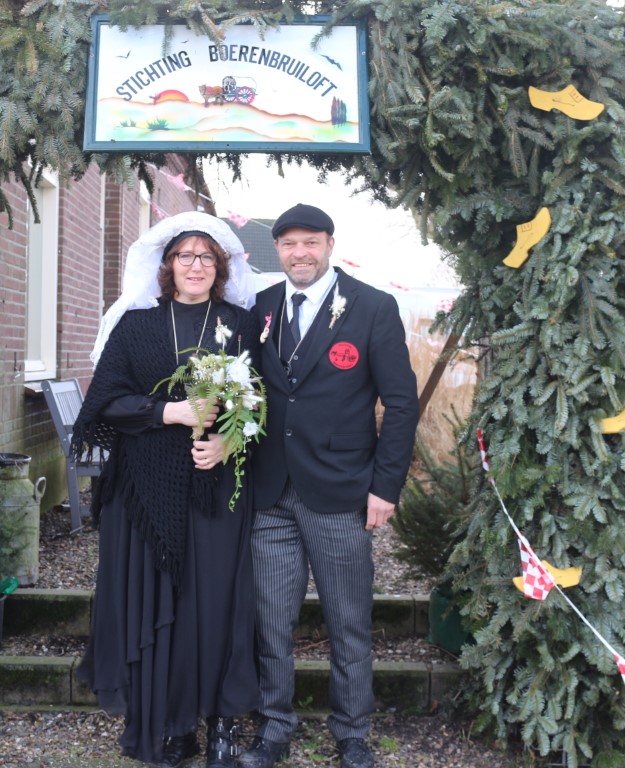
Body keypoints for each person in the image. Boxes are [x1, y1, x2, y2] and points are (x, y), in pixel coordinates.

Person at [71, 211, 261, 767]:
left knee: (217, 602)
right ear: (168, 264)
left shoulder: (241, 324)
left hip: (214, 487)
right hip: (144, 491)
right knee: (162, 607)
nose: (195, 266)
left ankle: (221, 722)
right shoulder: (137, 325)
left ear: (220, 267)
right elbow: (103, 403)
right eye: (185, 256)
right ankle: (172, 724)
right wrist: (167, 412)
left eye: (206, 257)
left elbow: (265, 401)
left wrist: (230, 441)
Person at [240, 204, 420, 768]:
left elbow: (401, 403)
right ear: (278, 250)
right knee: (271, 622)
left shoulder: (372, 307)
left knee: (348, 623)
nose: (300, 253)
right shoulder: (262, 307)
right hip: (271, 494)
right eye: (289, 244)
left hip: (342, 493)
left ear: (330, 245)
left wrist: (385, 487)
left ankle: (352, 733)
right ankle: (273, 727)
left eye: (310, 242)